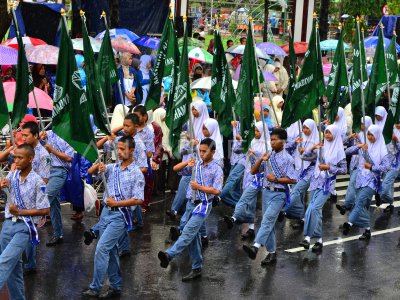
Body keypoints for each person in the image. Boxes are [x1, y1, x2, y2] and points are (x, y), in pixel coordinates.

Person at [82, 136, 145, 298]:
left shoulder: (136, 173)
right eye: (118, 148)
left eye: (123, 149)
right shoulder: (112, 168)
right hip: (105, 214)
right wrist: (99, 166)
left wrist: (117, 203)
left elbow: (138, 199)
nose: (120, 151)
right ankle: (116, 285)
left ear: (132, 150)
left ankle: (95, 287)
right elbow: (89, 173)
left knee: (102, 249)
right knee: (110, 251)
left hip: (120, 217)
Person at [158, 138, 223, 282]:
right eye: (200, 150)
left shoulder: (216, 169)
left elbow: (217, 190)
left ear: (213, 151)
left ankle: (170, 254)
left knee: (188, 231)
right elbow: (176, 169)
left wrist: (199, 187)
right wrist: (187, 162)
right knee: (192, 236)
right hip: (191, 203)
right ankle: (197, 267)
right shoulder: (197, 165)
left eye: (204, 151)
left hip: (204, 205)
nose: (201, 153)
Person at [0, 144, 49, 299]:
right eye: (15, 157)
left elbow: (45, 210)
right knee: (14, 269)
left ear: (30, 159)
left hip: (24, 227)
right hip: (7, 225)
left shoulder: (38, 181)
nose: (16, 160)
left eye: (20, 157)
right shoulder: (11, 175)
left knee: (4, 262)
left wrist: (20, 212)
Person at [242, 128, 297, 266]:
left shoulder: (288, 159)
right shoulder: (268, 156)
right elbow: (253, 171)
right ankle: (272, 253)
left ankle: (255, 247)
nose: (272, 142)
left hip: (279, 194)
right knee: (270, 225)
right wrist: (261, 159)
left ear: (283, 141)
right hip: (266, 192)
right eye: (271, 139)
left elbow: (293, 179)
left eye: (275, 139)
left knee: (266, 220)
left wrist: (276, 179)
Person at [299, 125, 347, 253]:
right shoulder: (321, 149)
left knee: (314, 209)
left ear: (335, 135)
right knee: (314, 211)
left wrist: (329, 168)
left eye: (329, 133)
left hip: (327, 185)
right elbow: (304, 157)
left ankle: (308, 238)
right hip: (315, 182)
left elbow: (344, 170)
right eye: (326, 133)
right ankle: (319, 241)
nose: (327, 135)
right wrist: (313, 148)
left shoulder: (339, 151)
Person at [343, 125, 391, 240]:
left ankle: (349, 223)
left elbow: (386, 167)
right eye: (368, 134)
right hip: (360, 180)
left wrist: (372, 167)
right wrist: (359, 146)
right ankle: (367, 230)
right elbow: (347, 151)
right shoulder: (364, 146)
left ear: (377, 135)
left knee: (359, 202)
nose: (369, 137)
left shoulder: (382, 150)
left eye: (372, 135)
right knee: (362, 206)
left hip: (372, 182)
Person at [223, 121, 270, 240]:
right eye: (255, 130)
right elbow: (238, 150)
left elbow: (267, 158)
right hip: (251, 174)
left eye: (258, 131)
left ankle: (238, 219)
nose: (256, 133)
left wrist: (257, 153)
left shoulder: (267, 144)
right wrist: (240, 141)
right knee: (249, 201)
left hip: (263, 177)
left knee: (261, 203)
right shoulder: (252, 142)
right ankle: (250, 228)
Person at [40, 130, 74, 247]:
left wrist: (52, 150)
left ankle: (28, 226)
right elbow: (37, 146)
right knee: (54, 204)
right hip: (46, 170)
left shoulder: (69, 135)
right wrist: (40, 139)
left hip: (60, 171)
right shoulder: (47, 133)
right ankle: (58, 235)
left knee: (46, 197)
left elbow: (69, 158)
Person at [285, 119, 319, 228]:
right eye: (303, 128)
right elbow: (287, 147)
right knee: (299, 195)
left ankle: (288, 211)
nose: (304, 130)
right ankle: (301, 218)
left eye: (307, 128)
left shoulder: (316, 141)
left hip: (310, 171)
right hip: (298, 169)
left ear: (312, 129)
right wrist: (295, 142)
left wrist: (304, 152)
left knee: (296, 191)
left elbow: (315, 158)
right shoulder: (300, 138)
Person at [336, 117, 372, 215]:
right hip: (355, 165)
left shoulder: (373, 136)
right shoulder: (358, 136)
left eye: (364, 123)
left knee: (356, 185)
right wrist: (356, 144)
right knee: (353, 185)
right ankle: (350, 206)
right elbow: (347, 150)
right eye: (361, 123)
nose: (362, 126)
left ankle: (349, 206)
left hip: (366, 167)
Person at [219, 120, 246, 208]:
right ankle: (238, 205)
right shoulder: (236, 124)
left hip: (245, 158)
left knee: (232, 178)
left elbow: (250, 142)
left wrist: (241, 140)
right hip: (234, 157)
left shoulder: (249, 125)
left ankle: (219, 197)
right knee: (236, 183)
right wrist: (232, 126)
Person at [378, 123, 400, 214]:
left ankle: (384, 198)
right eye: (396, 122)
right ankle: (390, 204)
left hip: (396, 163)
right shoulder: (388, 131)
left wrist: (397, 140)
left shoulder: (395, 134)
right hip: (386, 163)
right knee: (389, 184)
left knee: (386, 184)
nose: (397, 125)